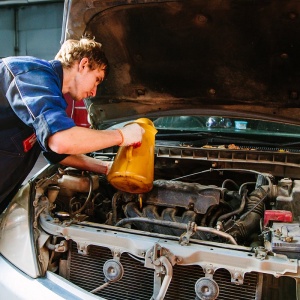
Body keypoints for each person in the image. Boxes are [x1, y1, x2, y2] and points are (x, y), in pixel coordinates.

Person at [0, 37, 144, 209]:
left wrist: (107, 167)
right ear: (83, 64)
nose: (94, 92)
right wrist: (121, 136)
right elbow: (61, 142)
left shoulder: (51, 95)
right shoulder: (30, 74)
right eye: (97, 79)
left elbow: (57, 154)